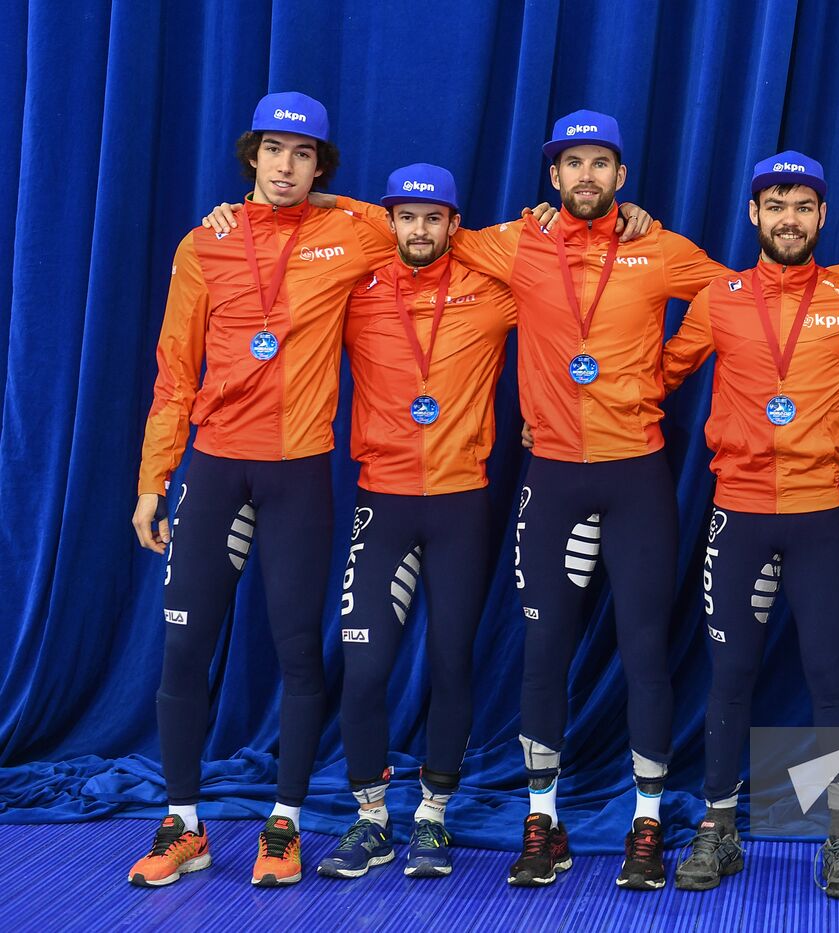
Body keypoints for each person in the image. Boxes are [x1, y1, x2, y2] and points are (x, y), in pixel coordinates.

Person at [318, 110, 731, 890]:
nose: (585, 177)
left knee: (644, 650)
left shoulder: (655, 246)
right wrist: (293, 202)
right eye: (572, 163)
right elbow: (409, 227)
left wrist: (665, 372)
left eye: (600, 164)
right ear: (552, 176)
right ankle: (542, 822)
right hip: (550, 479)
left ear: (621, 177)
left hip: (637, 473)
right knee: (543, 655)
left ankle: (646, 825)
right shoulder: (511, 244)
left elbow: (739, 297)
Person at [128, 91, 395, 887]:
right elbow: (175, 371)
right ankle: (184, 823)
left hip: (299, 471)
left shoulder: (351, 235)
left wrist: (333, 202)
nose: (285, 166)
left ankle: (285, 824)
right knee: (183, 647)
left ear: (321, 167)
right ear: (252, 155)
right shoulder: (202, 244)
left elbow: (422, 235)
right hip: (212, 465)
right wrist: (153, 481)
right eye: (274, 150)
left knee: (296, 652)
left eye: (303, 154)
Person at [661, 152, 839, 899]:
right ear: (754, 215)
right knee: (729, 677)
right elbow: (661, 374)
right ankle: (719, 829)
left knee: (832, 682)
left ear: (822, 217)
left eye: (803, 205)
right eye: (776, 205)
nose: (789, 218)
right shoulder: (719, 298)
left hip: (820, 516)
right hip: (736, 514)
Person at [308, 164, 515, 880]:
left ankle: (432, 817)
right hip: (383, 501)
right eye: (407, 217)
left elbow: (572, 281)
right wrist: (325, 198)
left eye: (435, 218)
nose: (420, 230)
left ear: (456, 226)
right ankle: (372, 820)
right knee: (364, 669)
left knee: (453, 664)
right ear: (389, 222)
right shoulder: (354, 291)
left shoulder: (494, 291)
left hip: (462, 503)